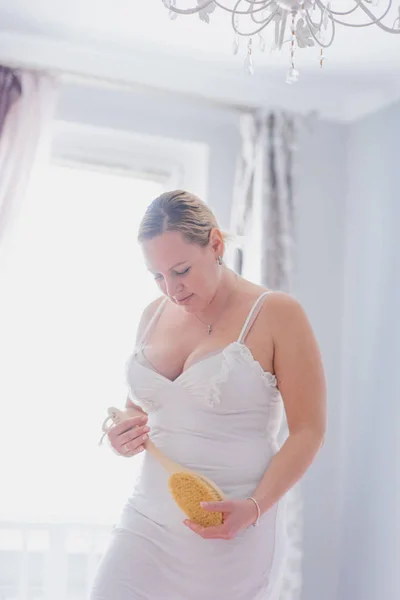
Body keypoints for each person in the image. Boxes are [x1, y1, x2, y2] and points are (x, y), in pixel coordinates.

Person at [90, 190, 326, 600]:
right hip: (148, 519)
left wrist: (253, 508)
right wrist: (123, 430)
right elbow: (140, 406)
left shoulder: (277, 314)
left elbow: (309, 429)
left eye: (181, 270)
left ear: (215, 244)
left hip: (231, 525)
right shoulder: (153, 315)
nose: (171, 289)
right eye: (158, 276)